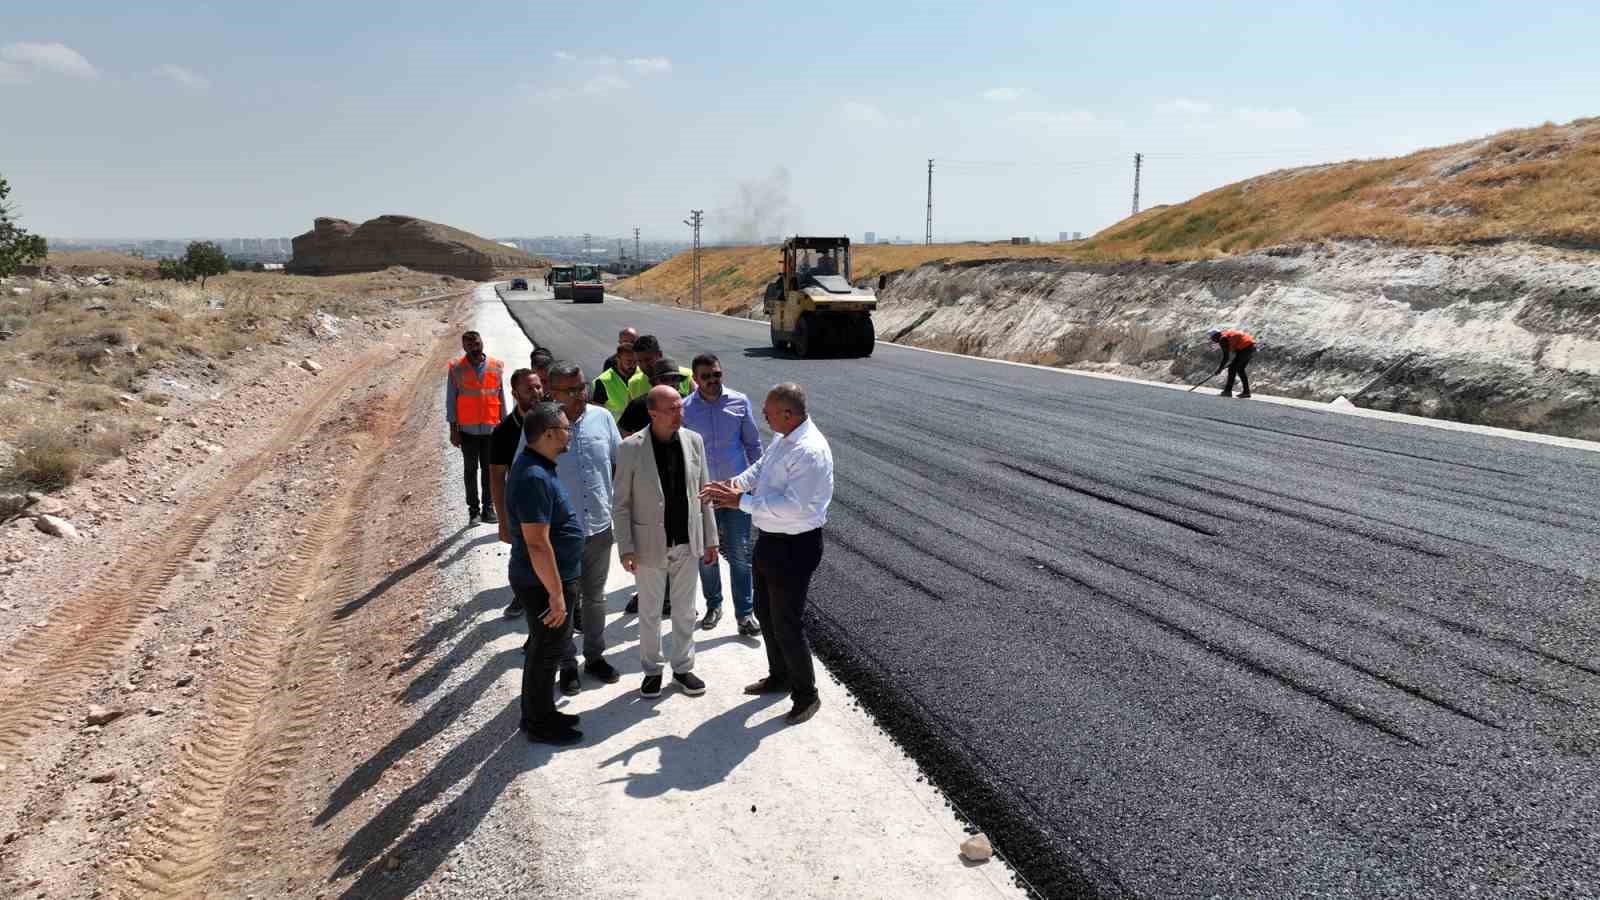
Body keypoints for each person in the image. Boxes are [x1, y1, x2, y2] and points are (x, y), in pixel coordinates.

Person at [702, 384, 832, 725]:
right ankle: (780, 676)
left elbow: (793, 507)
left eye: (769, 410)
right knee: (765, 611)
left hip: (796, 546)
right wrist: (734, 485)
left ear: (788, 414)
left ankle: (807, 695)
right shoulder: (784, 438)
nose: (763, 414)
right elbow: (760, 469)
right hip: (771, 541)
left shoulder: (809, 450)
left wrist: (740, 502)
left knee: (787, 622)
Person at [613, 385, 718, 699]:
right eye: (671, 409)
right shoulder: (631, 448)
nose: (679, 414)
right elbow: (621, 504)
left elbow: (705, 494)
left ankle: (683, 669)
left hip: (687, 541)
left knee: (685, 611)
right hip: (648, 546)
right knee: (650, 612)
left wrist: (711, 539)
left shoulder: (694, 441)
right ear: (652, 411)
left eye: (680, 408)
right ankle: (652, 670)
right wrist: (626, 548)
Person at [507, 402, 584, 746]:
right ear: (550, 434)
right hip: (542, 583)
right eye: (567, 428)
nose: (571, 432)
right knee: (546, 650)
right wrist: (555, 594)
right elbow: (537, 543)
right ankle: (538, 723)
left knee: (546, 649)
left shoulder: (539, 466)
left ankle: (541, 713)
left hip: (549, 579)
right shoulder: (534, 477)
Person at [546, 361, 624, 694]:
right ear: (553, 393)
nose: (581, 394)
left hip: (599, 527)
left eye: (582, 386)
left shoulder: (602, 418)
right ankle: (567, 664)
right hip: (560, 534)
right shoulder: (541, 426)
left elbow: (620, 463)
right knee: (563, 600)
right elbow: (525, 476)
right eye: (572, 390)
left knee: (595, 598)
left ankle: (594, 657)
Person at [681, 353, 763, 635]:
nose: (713, 380)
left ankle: (745, 614)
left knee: (740, 554)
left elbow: (753, 445)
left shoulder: (740, 402)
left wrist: (758, 482)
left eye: (716, 374)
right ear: (695, 379)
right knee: (707, 555)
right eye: (706, 376)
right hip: (704, 495)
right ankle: (714, 605)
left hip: (736, 493)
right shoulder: (685, 410)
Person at [488, 367, 544, 616]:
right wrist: (503, 520)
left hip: (553, 499)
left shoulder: (554, 419)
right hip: (522, 505)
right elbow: (497, 478)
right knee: (522, 556)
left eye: (538, 386)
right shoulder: (503, 432)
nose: (536, 393)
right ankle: (522, 596)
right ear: (515, 393)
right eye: (529, 389)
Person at [446, 330, 506, 525]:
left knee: (490, 470)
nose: (474, 347)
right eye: (469, 344)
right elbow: (451, 400)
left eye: (476, 343)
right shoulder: (456, 368)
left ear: (482, 343)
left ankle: (489, 509)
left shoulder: (495, 366)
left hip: (491, 430)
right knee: (470, 471)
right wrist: (453, 429)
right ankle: (474, 511)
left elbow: (501, 398)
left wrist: (504, 425)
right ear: (464, 347)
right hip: (468, 431)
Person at [618, 357, 693, 438]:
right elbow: (622, 434)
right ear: (655, 382)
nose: (671, 383)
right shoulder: (638, 405)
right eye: (664, 379)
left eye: (674, 378)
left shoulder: (688, 403)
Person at [592, 337, 644, 420]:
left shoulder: (642, 374)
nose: (633, 365)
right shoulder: (603, 381)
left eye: (636, 361)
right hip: (615, 430)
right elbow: (597, 413)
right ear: (618, 359)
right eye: (629, 362)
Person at [626, 335, 693, 397]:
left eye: (648, 360)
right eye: (639, 361)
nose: (644, 365)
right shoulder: (634, 384)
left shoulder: (688, 376)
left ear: (660, 354)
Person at [1208, 328, 1256, 399]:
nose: (1213, 340)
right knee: (1240, 369)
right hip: (1251, 347)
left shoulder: (1223, 339)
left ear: (1215, 336)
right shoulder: (1226, 335)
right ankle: (1246, 392)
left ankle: (1227, 391)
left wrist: (1219, 369)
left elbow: (1226, 357)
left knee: (1232, 369)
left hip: (1245, 348)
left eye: (1212, 338)